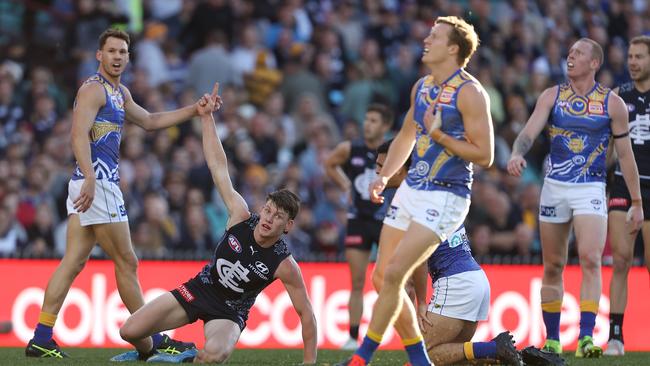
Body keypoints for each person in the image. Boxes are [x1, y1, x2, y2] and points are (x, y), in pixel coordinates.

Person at [110, 84, 317, 364]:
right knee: (129, 330)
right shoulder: (241, 216)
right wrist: (206, 117)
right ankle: (148, 353)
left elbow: (306, 313)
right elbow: (218, 167)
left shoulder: (283, 263)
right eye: (268, 210)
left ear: (288, 225)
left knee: (215, 355)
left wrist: (309, 362)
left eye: (278, 216)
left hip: (229, 313)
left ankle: (186, 359)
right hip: (199, 290)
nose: (269, 218)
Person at [25, 28, 200, 358]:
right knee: (127, 261)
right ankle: (152, 340)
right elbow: (77, 136)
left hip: (91, 183)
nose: (118, 57)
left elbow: (149, 121)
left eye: (123, 52)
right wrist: (91, 177)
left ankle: (41, 336)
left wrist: (194, 110)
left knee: (74, 261)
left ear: (128, 57)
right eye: (112, 51)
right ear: (99, 55)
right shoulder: (93, 89)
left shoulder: (119, 93)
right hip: (98, 184)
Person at [338, 15, 495, 366]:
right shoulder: (422, 86)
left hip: (447, 194)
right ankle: (420, 360)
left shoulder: (470, 93)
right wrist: (385, 176)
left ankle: (361, 356)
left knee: (396, 273)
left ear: (453, 48)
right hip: (412, 189)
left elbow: (485, 155)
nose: (426, 39)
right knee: (381, 277)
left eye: (435, 36)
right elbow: (407, 135)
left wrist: (440, 137)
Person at [507, 38, 644, 358]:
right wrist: (516, 152)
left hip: (591, 187)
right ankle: (552, 338)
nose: (570, 56)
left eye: (578, 53)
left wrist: (636, 202)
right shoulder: (551, 96)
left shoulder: (612, 104)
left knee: (591, 259)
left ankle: (585, 337)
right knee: (553, 264)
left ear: (594, 63)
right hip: (554, 186)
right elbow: (529, 132)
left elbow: (625, 155)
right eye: (568, 52)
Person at [373, 140, 524, 366]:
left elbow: (420, 258)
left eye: (382, 166)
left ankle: (494, 347)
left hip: (456, 283)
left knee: (422, 356)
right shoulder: (434, 189)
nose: (378, 172)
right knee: (453, 360)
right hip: (474, 279)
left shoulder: (410, 199)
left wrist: (421, 303)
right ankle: (520, 357)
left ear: (401, 167)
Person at [324, 103, 392, 350]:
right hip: (358, 221)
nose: (367, 124)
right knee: (356, 282)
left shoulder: (393, 150)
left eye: (374, 120)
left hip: (386, 220)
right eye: (366, 119)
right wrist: (345, 186)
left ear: (385, 126)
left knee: (389, 280)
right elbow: (330, 164)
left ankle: (392, 333)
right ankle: (353, 337)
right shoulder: (350, 148)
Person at [605, 35, 650, 356]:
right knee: (620, 259)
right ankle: (615, 336)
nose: (633, 61)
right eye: (630, 56)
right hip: (622, 184)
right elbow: (607, 147)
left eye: (639, 57)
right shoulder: (618, 96)